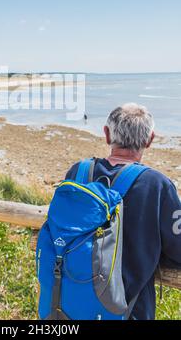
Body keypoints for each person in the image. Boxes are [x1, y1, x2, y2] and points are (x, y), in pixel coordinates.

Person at [65, 103, 181, 320]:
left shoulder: (78, 172)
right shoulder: (157, 185)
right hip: (128, 311)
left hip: (68, 307)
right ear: (150, 139)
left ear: (107, 135)